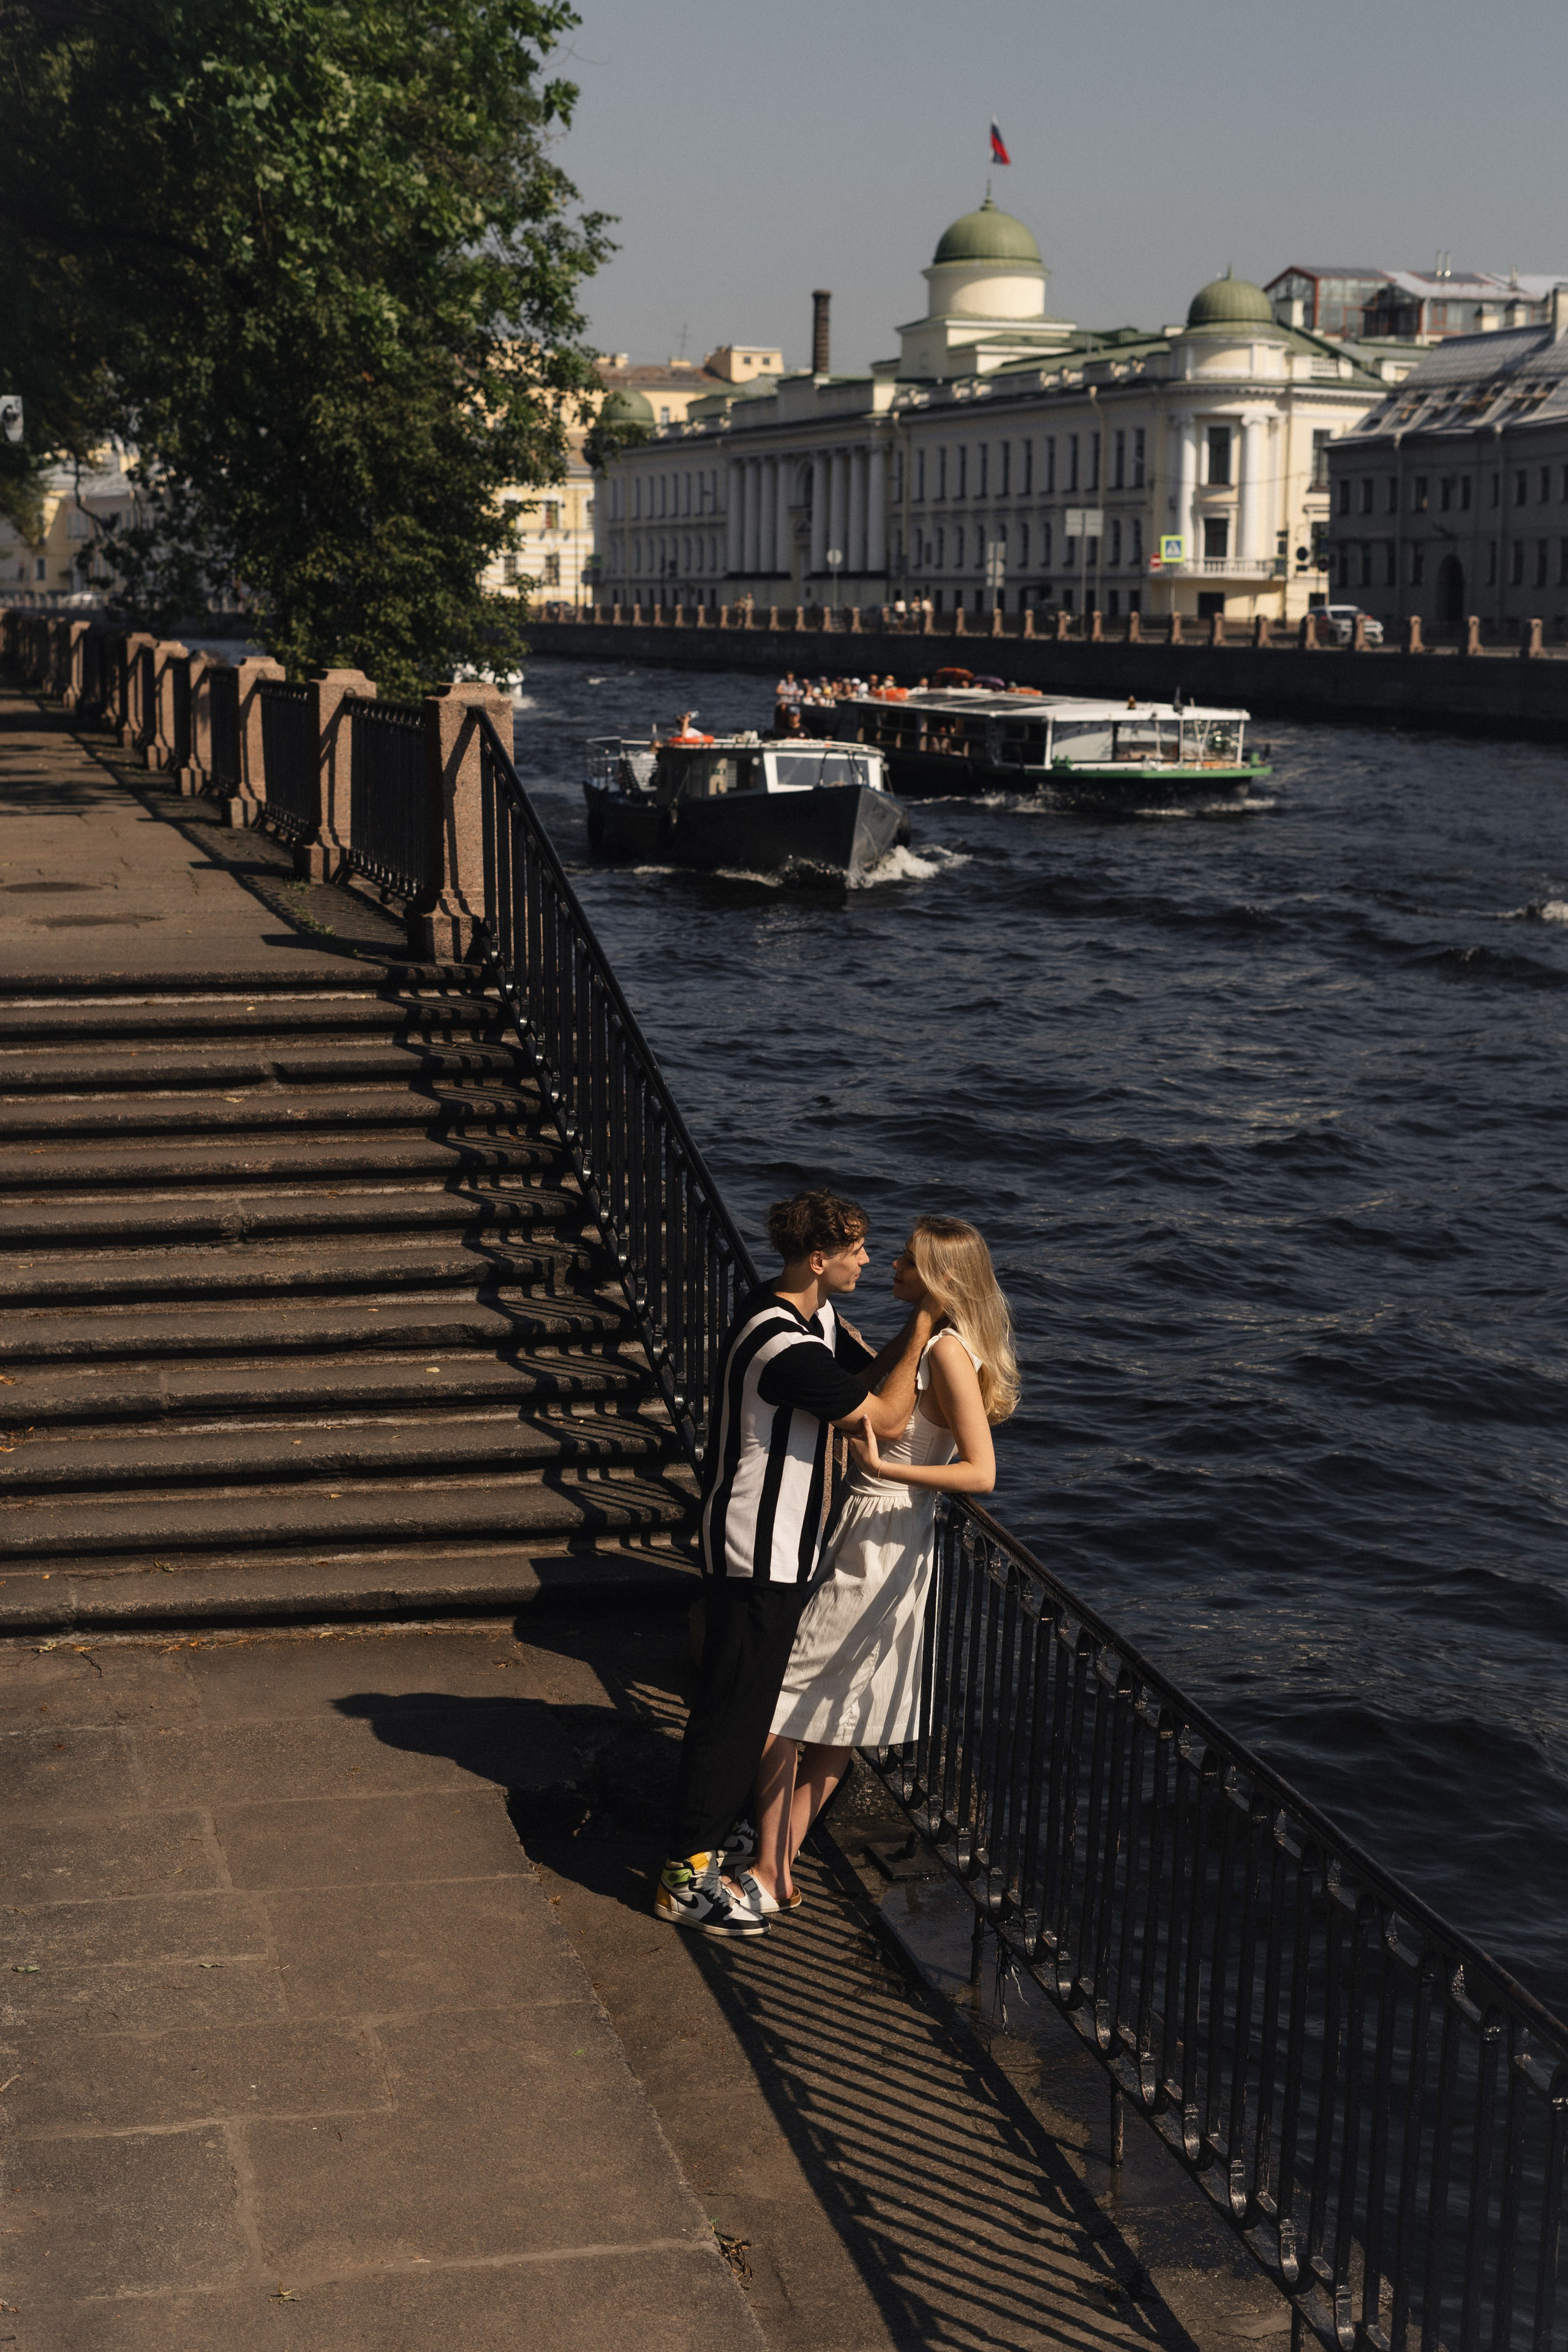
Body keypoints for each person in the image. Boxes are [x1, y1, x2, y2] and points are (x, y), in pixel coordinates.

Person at [655, 1191, 938, 1937]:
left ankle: (714, 1847)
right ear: (820, 1260)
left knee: (747, 1705)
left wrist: (918, 1341)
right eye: (856, 1250)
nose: (868, 1261)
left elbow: (873, 1372)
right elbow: (886, 1418)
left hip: (780, 1548)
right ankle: (685, 1877)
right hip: (756, 1549)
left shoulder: (812, 1320)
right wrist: (925, 1323)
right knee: (733, 1715)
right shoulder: (783, 1343)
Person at [747, 1218, 1019, 1914]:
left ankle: (767, 1868)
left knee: (777, 1707)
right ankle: (777, 1864)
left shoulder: (947, 1354)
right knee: (839, 1713)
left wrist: (883, 1470)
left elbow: (982, 1473)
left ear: (940, 1279)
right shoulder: (932, 1342)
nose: (890, 1263)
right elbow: (873, 1384)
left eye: (907, 1259)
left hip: (881, 1531)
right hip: (890, 1532)